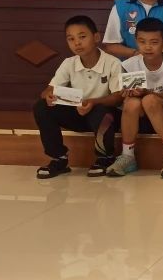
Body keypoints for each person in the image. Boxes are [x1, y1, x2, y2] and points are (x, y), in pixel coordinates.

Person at [33, 15, 123, 179]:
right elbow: (48, 90)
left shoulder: (113, 63)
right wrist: (49, 95)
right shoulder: (69, 63)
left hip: (104, 116)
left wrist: (93, 102)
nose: (77, 43)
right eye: (71, 39)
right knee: (42, 106)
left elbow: (118, 97)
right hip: (78, 113)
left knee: (102, 112)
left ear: (96, 37)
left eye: (82, 37)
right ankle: (59, 158)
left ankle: (105, 157)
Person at [106, 17, 163, 179]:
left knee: (149, 100)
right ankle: (128, 156)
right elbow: (124, 95)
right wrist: (127, 93)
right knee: (131, 102)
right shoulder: (129, 64)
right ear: (136, 41)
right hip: (141, 116)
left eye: (154, 42)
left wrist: (147, 92)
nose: (147, 47)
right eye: (142, 42)